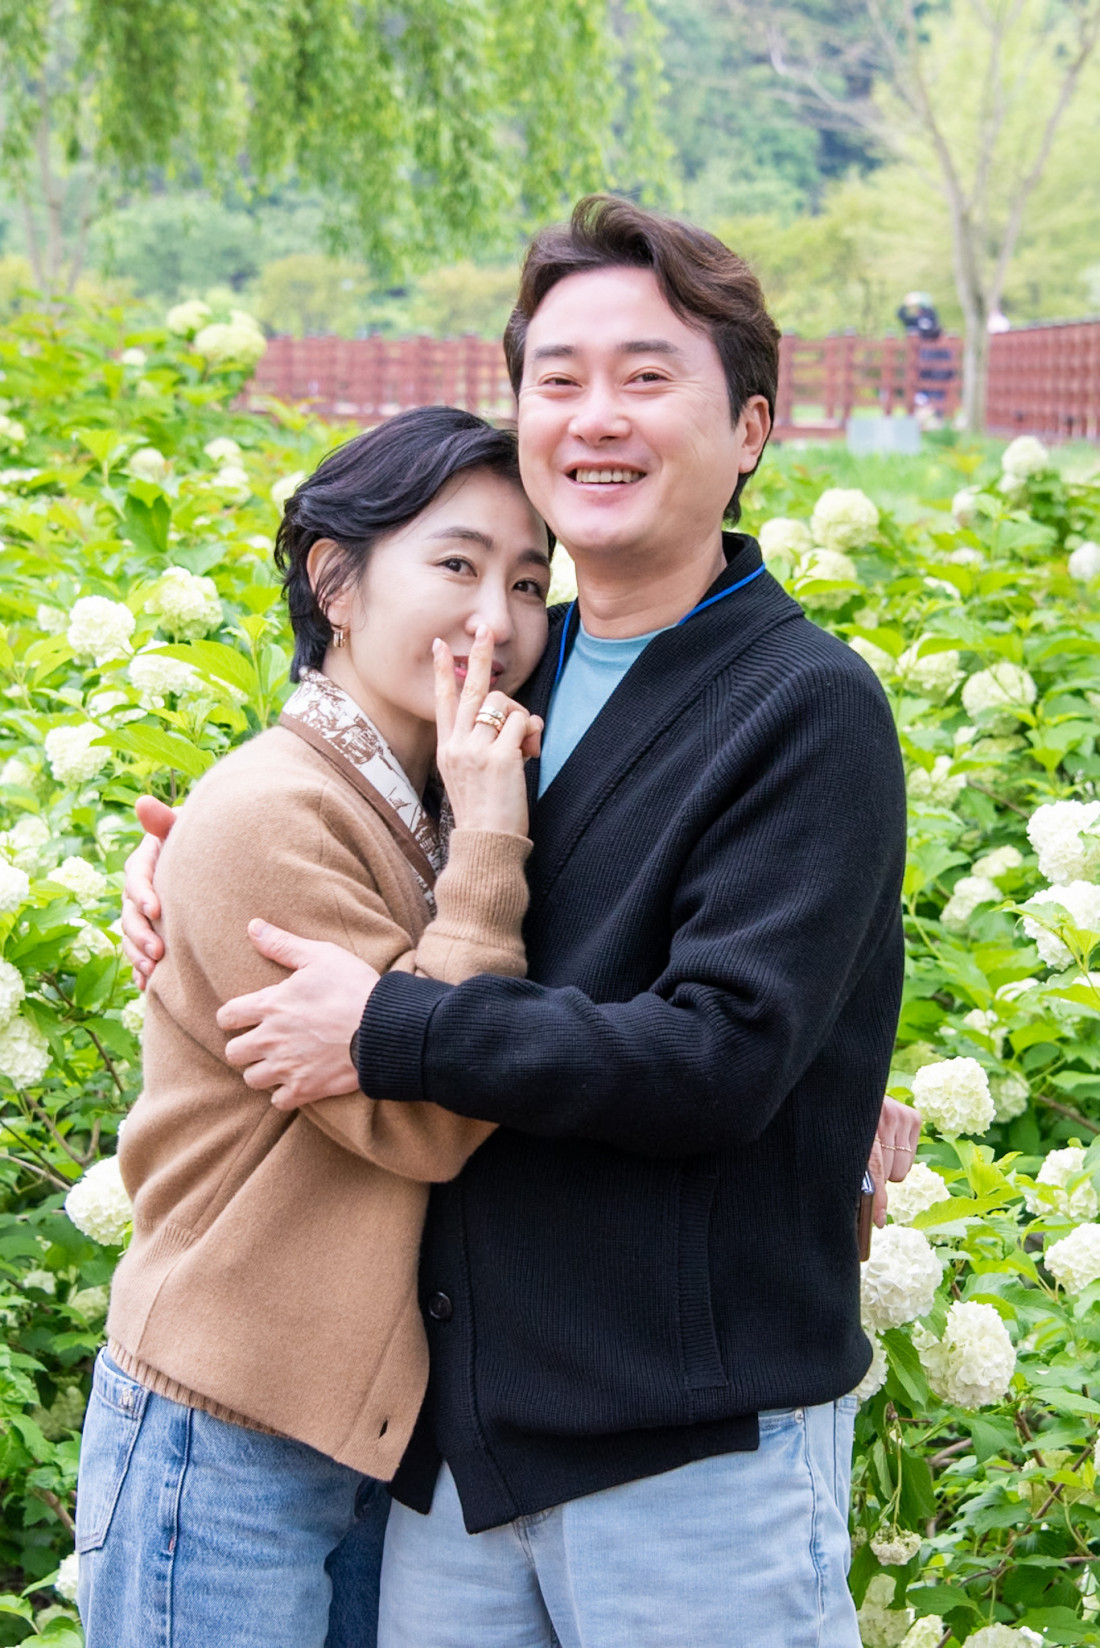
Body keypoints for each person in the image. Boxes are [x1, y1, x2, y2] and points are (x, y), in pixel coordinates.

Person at [124, 197, 921, 1647]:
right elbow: (383, 863)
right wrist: (191, 880)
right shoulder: (505, 690)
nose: (594, 416)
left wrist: (393, 1028)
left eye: (646, 375)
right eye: (558, 379)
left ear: (749, 429)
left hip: (685, 1452)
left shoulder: (806, 705)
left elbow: (722, 1053)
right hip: (460, 1462)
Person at [78, 406, 552, 1648]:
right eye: (455, 565)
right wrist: (489, 844)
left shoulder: (424, 801)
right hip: (221, 1430)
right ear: (335, 582)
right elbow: (430, 1112)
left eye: (526, 581)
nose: (495, 621)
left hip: (347, 1434)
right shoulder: (276, 810)